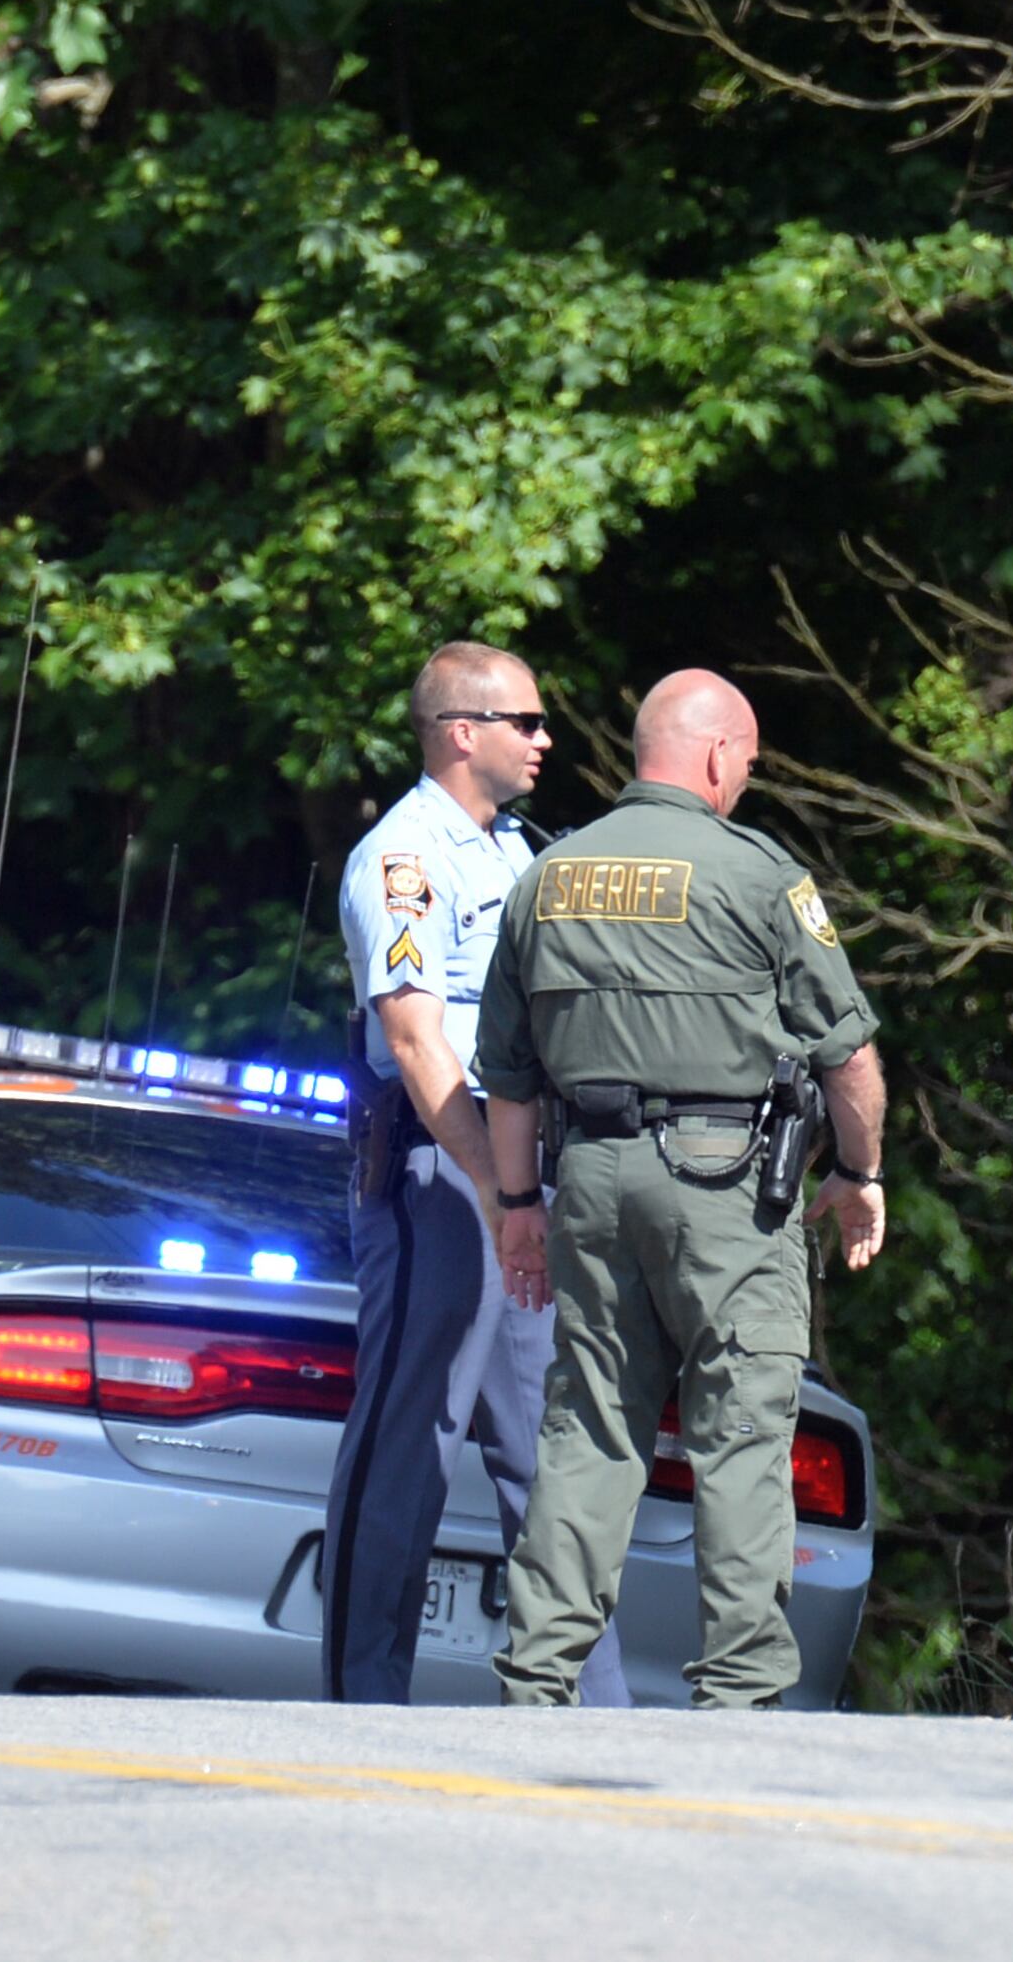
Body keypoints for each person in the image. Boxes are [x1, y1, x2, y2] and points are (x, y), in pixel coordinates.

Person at [478, 669, 889, 1709]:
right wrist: (858, 1173)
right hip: (725, 1189)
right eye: (746, 762)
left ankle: (536, 1678)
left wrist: (519, 1210)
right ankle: (741, 1691)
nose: (745, 780)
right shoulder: (760, 875)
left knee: (589, 1425)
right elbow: (849, 1058)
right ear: (716, 754)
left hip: (591, 1180)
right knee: (743, 1427)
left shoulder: (546, 877)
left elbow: (510, 1076)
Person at [320, 642, 629, 1705]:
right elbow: (415, 1041)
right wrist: (501, 1193)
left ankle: (585, 1713)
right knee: (412, 1438)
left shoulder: (518, 856)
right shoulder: (404, 859)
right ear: (462, 731)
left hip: (519, 1184)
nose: (545, 740)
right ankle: (367, 1703)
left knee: (555, 1451)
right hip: (444, 1177)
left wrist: (531, 1190)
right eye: (525, 722)